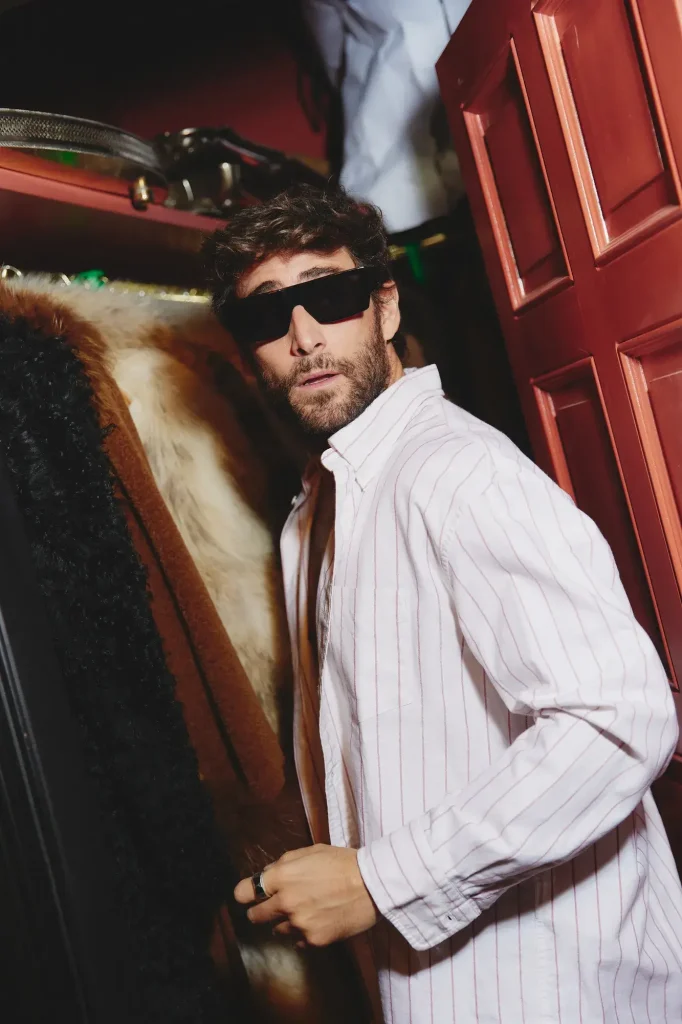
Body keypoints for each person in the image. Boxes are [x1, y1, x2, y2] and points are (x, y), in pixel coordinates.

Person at [204, 185, 682, 1024]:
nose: (305, 337)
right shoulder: (316, 512)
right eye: (268, 315)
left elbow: (617, 721)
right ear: (248, 352)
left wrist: (378, 882)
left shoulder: (460, 475)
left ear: (385, 308)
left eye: (330, 295)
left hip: (555, 989)